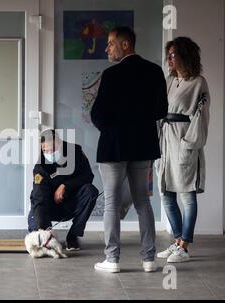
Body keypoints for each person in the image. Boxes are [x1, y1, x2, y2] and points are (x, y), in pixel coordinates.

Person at [90, 26, 168, 272]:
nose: (107, 48)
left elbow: (98, 114)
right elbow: (161, 111)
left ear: (125, 45)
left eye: (111, 43)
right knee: (142, 202)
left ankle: (112, 260)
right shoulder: (155, 72)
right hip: (143, 146)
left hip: (114, 146)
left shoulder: (112, 75)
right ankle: (149, 260)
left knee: (112, 203)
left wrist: (111, 129)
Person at [156, 37, 210, 263]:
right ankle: (177, 241)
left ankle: (185, 246)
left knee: (187, 195)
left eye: (173, 54)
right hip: (165, 141)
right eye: (167, 55)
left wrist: (189, 144)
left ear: (185, 56)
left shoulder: (199, 82)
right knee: (166, 193)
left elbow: (201, 116)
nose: (169, 59)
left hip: (184, 140)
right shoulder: (168, 80)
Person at [28, 129, 99, 251]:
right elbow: (39, 198)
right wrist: (44, 230)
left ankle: (73, 236)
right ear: (41, 147)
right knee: (37, 235)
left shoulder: (75, 152)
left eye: (53, 149)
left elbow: (88, 176)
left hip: (71, 203)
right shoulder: (40, 167)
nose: (49, 153)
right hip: (48, 207)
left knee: (90, 191)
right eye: (46, 150)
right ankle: (44, 231)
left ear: (60, 143)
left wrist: (65, 186)